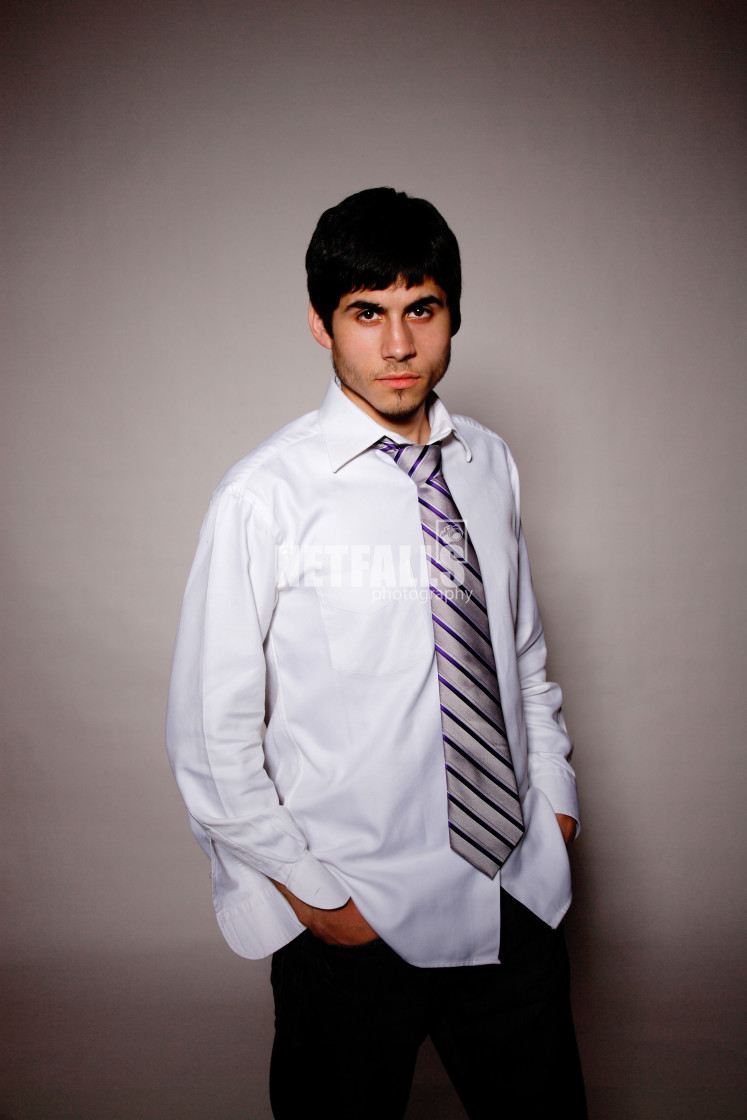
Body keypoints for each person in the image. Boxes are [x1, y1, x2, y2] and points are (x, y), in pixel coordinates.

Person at [166, 187, 587, 1119]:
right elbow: (209, 737)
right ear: (321, 325)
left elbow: (521, 659)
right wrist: (319, 903)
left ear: (451, 319)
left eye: (420, 310)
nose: (397, 345)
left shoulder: (489, 463)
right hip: (357, 921)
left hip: (515, 899)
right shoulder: (263, 496)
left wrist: (552, 807)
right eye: (367, 313)